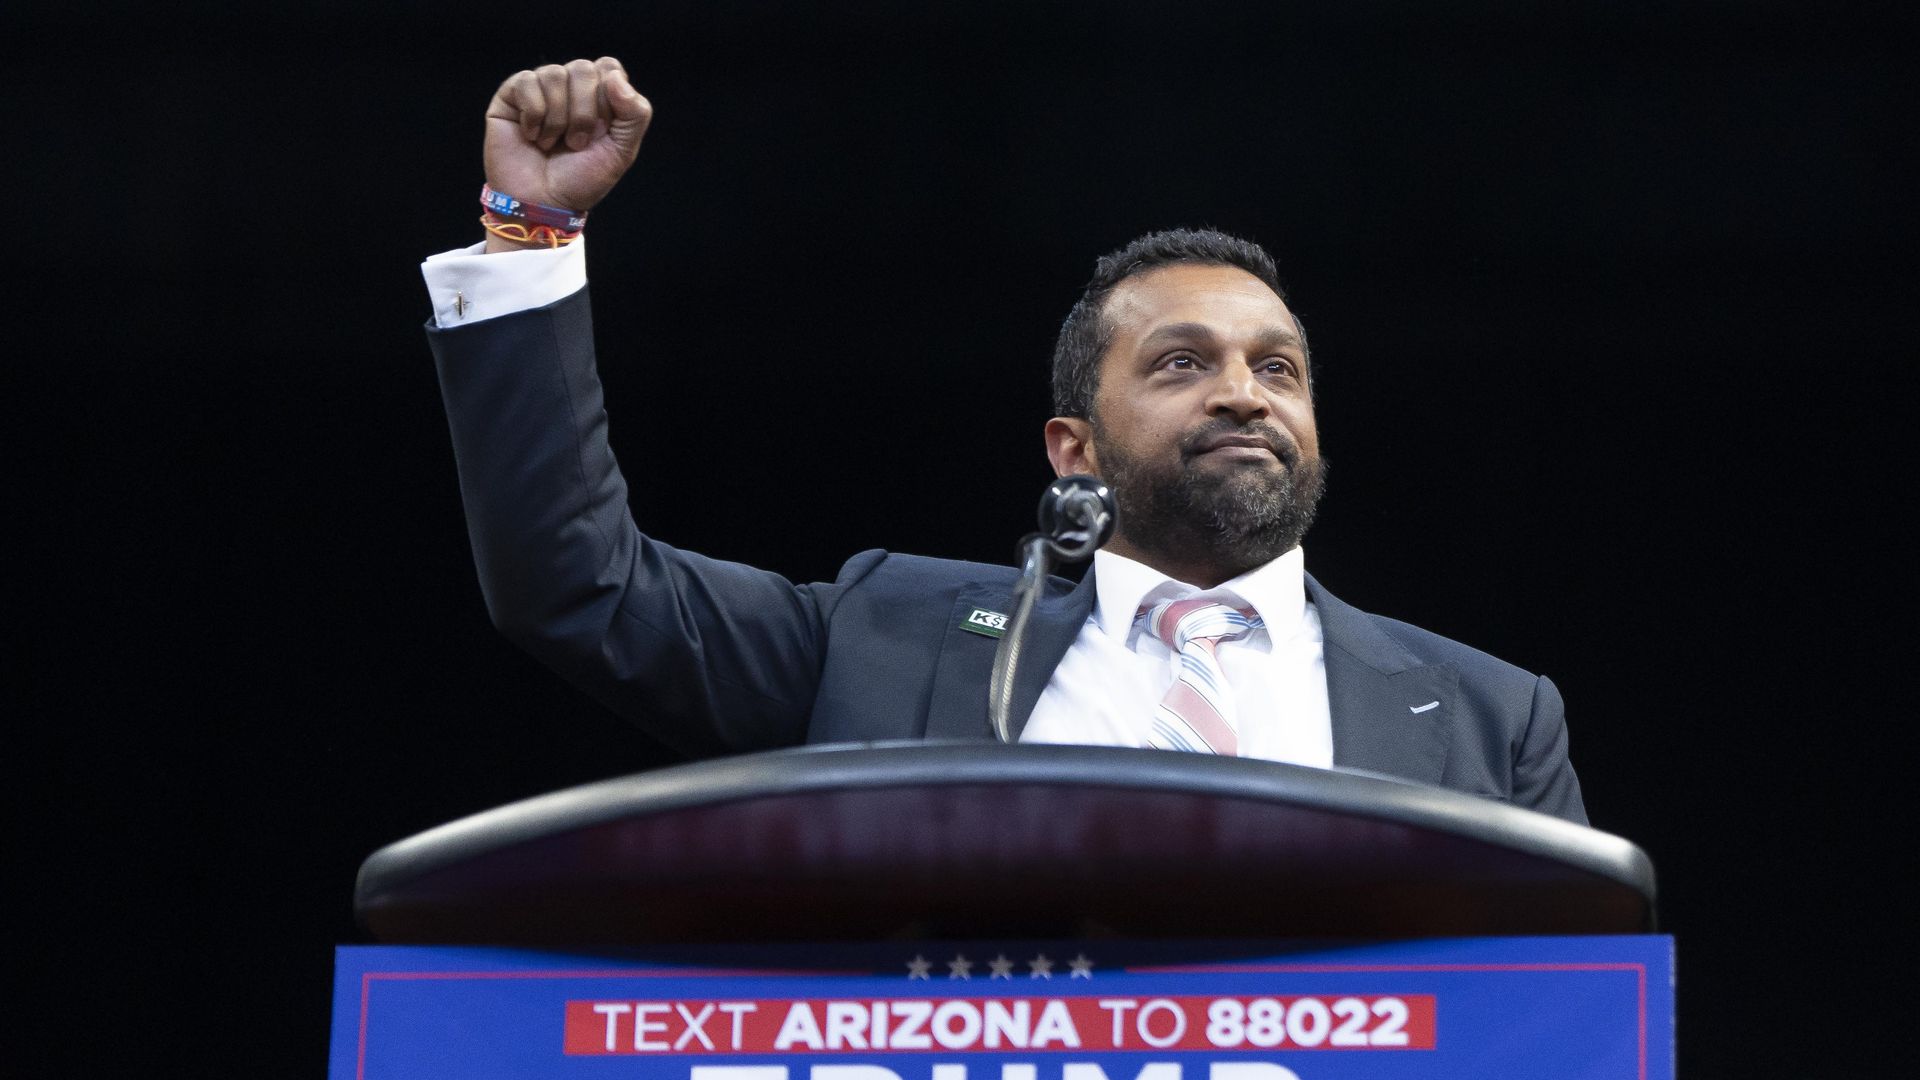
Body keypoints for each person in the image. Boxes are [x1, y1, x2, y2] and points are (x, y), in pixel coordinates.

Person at [421, 57, 1587, 825]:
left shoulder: (1489, 717)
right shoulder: (881, 638)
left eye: (1276, 367)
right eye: (1182, 362)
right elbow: (577, 582)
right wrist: (531, 232)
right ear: (1070, 449)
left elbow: (1567, 1010)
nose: (1243, 393)